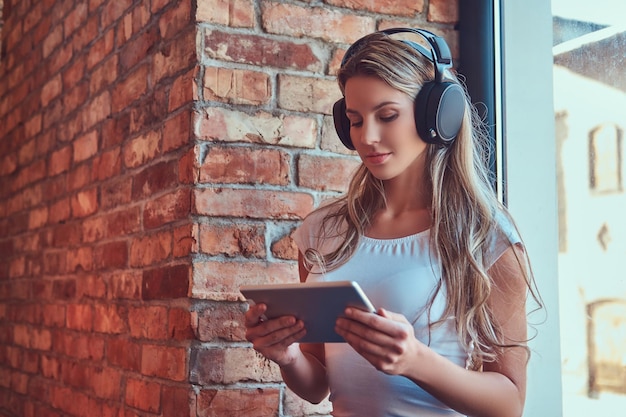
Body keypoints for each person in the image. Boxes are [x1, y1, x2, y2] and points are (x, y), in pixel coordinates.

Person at [244, 28, 541, 417]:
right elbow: (317, 386)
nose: (367, 137)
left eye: (387, 116)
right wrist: (288, 356)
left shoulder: (485, 236)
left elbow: (508, 405)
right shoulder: (323, 231)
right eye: (354, 120)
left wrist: (415, 361)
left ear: (437, 115)